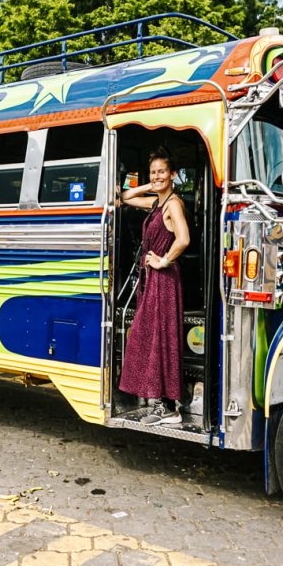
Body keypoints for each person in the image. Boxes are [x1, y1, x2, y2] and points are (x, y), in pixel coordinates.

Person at [119, 147, 190, 424]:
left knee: (160, 339)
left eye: (163, 171)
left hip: (163, 279)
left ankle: (168, 407)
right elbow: (125, 196)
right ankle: (164, 403)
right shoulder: (158, 203)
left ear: (174, 174)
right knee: (150, 338)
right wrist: (154, 184)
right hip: (153, 281)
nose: (157, 175)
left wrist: (163, 261)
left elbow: (183, 238)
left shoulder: (173, 204)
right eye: (153, 171)